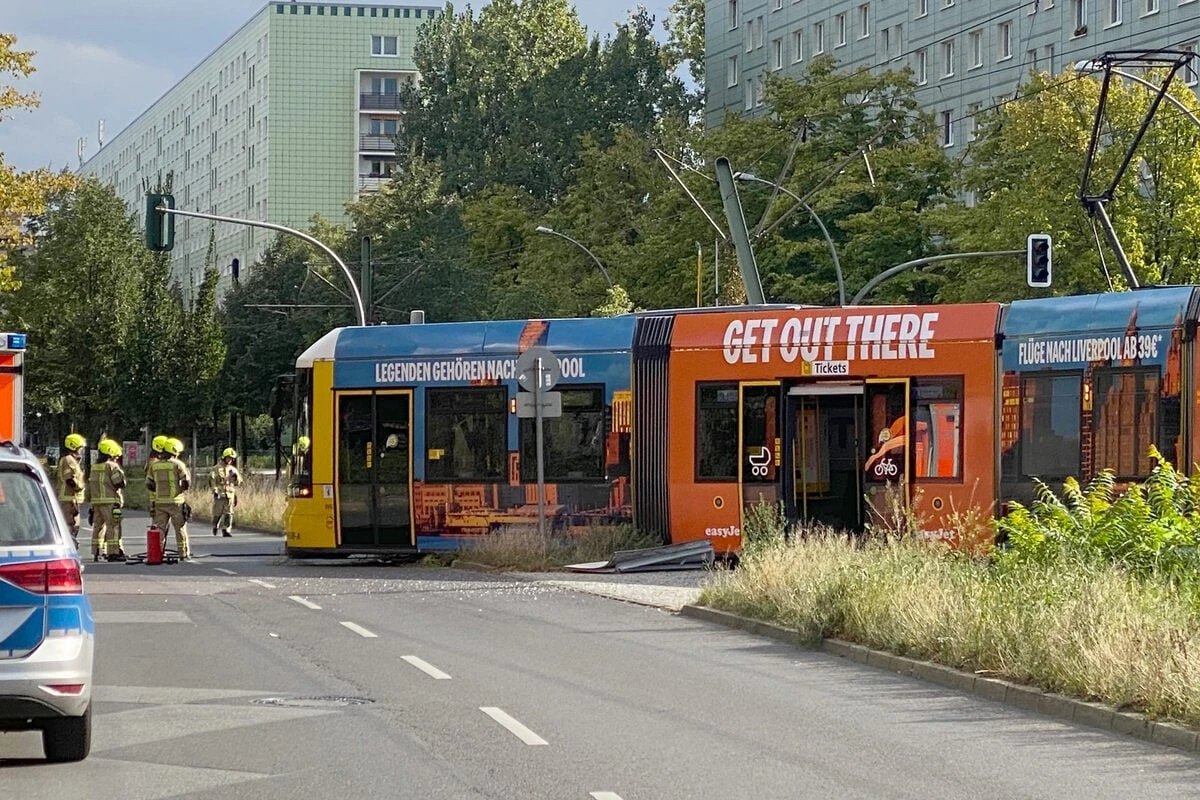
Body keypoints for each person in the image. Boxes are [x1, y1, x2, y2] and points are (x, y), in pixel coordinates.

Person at [149, 436, 192, 560]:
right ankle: (183, 553)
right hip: (176, 501)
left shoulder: (155, 465)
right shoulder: (178, 464)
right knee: (180, 528)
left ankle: (157, 554)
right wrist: (181, 491)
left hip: (160, 502)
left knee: (159, 529)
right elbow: (186, 482)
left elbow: (149, 484)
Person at [88, 438, 126, 562]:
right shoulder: (112, 466)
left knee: (98, 527)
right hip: (110, 502)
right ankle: (113, 552)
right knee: (113, 526)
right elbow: (118, 482)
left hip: (96, 502)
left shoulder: (95, 467)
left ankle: (97, 551)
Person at [56, 433, 87, 544]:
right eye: (80, 448)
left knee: (74, 523)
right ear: (74, 446)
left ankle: (71, 542)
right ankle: (69, 543)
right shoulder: (69, 460)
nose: (82, 450)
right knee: (70, 523)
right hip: (68, 497)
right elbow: (70, 479)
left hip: (72, 498)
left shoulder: (73, 460)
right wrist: (79, 486)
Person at [208, 447, 243, 537]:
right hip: (220, 494)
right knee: (217, 513)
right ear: (224, 457)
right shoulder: (216, 469)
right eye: (228, 458)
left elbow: (238, 483)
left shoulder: (233, 470)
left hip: (230, 495)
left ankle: (226, 530)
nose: (230, 460)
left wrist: (236, 478)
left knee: (229, 513)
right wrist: (214, 490)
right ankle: (215, 525)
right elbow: (212, 480)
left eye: (232, 459)